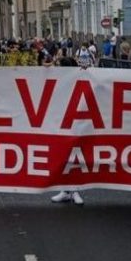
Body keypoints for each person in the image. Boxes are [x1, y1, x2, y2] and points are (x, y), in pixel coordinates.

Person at [50, 57, 84, 206]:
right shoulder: (58, 80)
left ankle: (75, 190)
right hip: (60, 123)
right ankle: (66, 190)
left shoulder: (79, 79)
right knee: (62, 156)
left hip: (75, 123)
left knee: (74, 157)